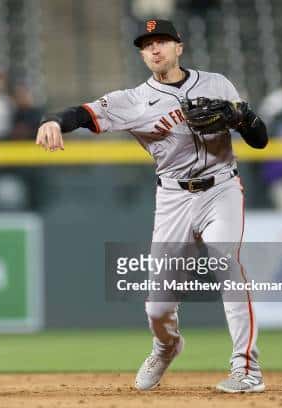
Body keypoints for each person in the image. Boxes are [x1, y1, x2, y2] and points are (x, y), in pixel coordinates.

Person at [35, 19, 268, 393]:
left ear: (180, 47)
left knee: (229, 264)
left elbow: (260, 141)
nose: (154, 49)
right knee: (157, 306)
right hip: (173, 197)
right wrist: (52, 121)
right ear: (143, 55)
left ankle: (246, 369)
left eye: (161, 41)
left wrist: (242, 116)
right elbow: (82, 113)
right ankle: (166, 346)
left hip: (221, 189)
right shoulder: (131, 100)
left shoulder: (217, 83)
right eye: (147, 45)